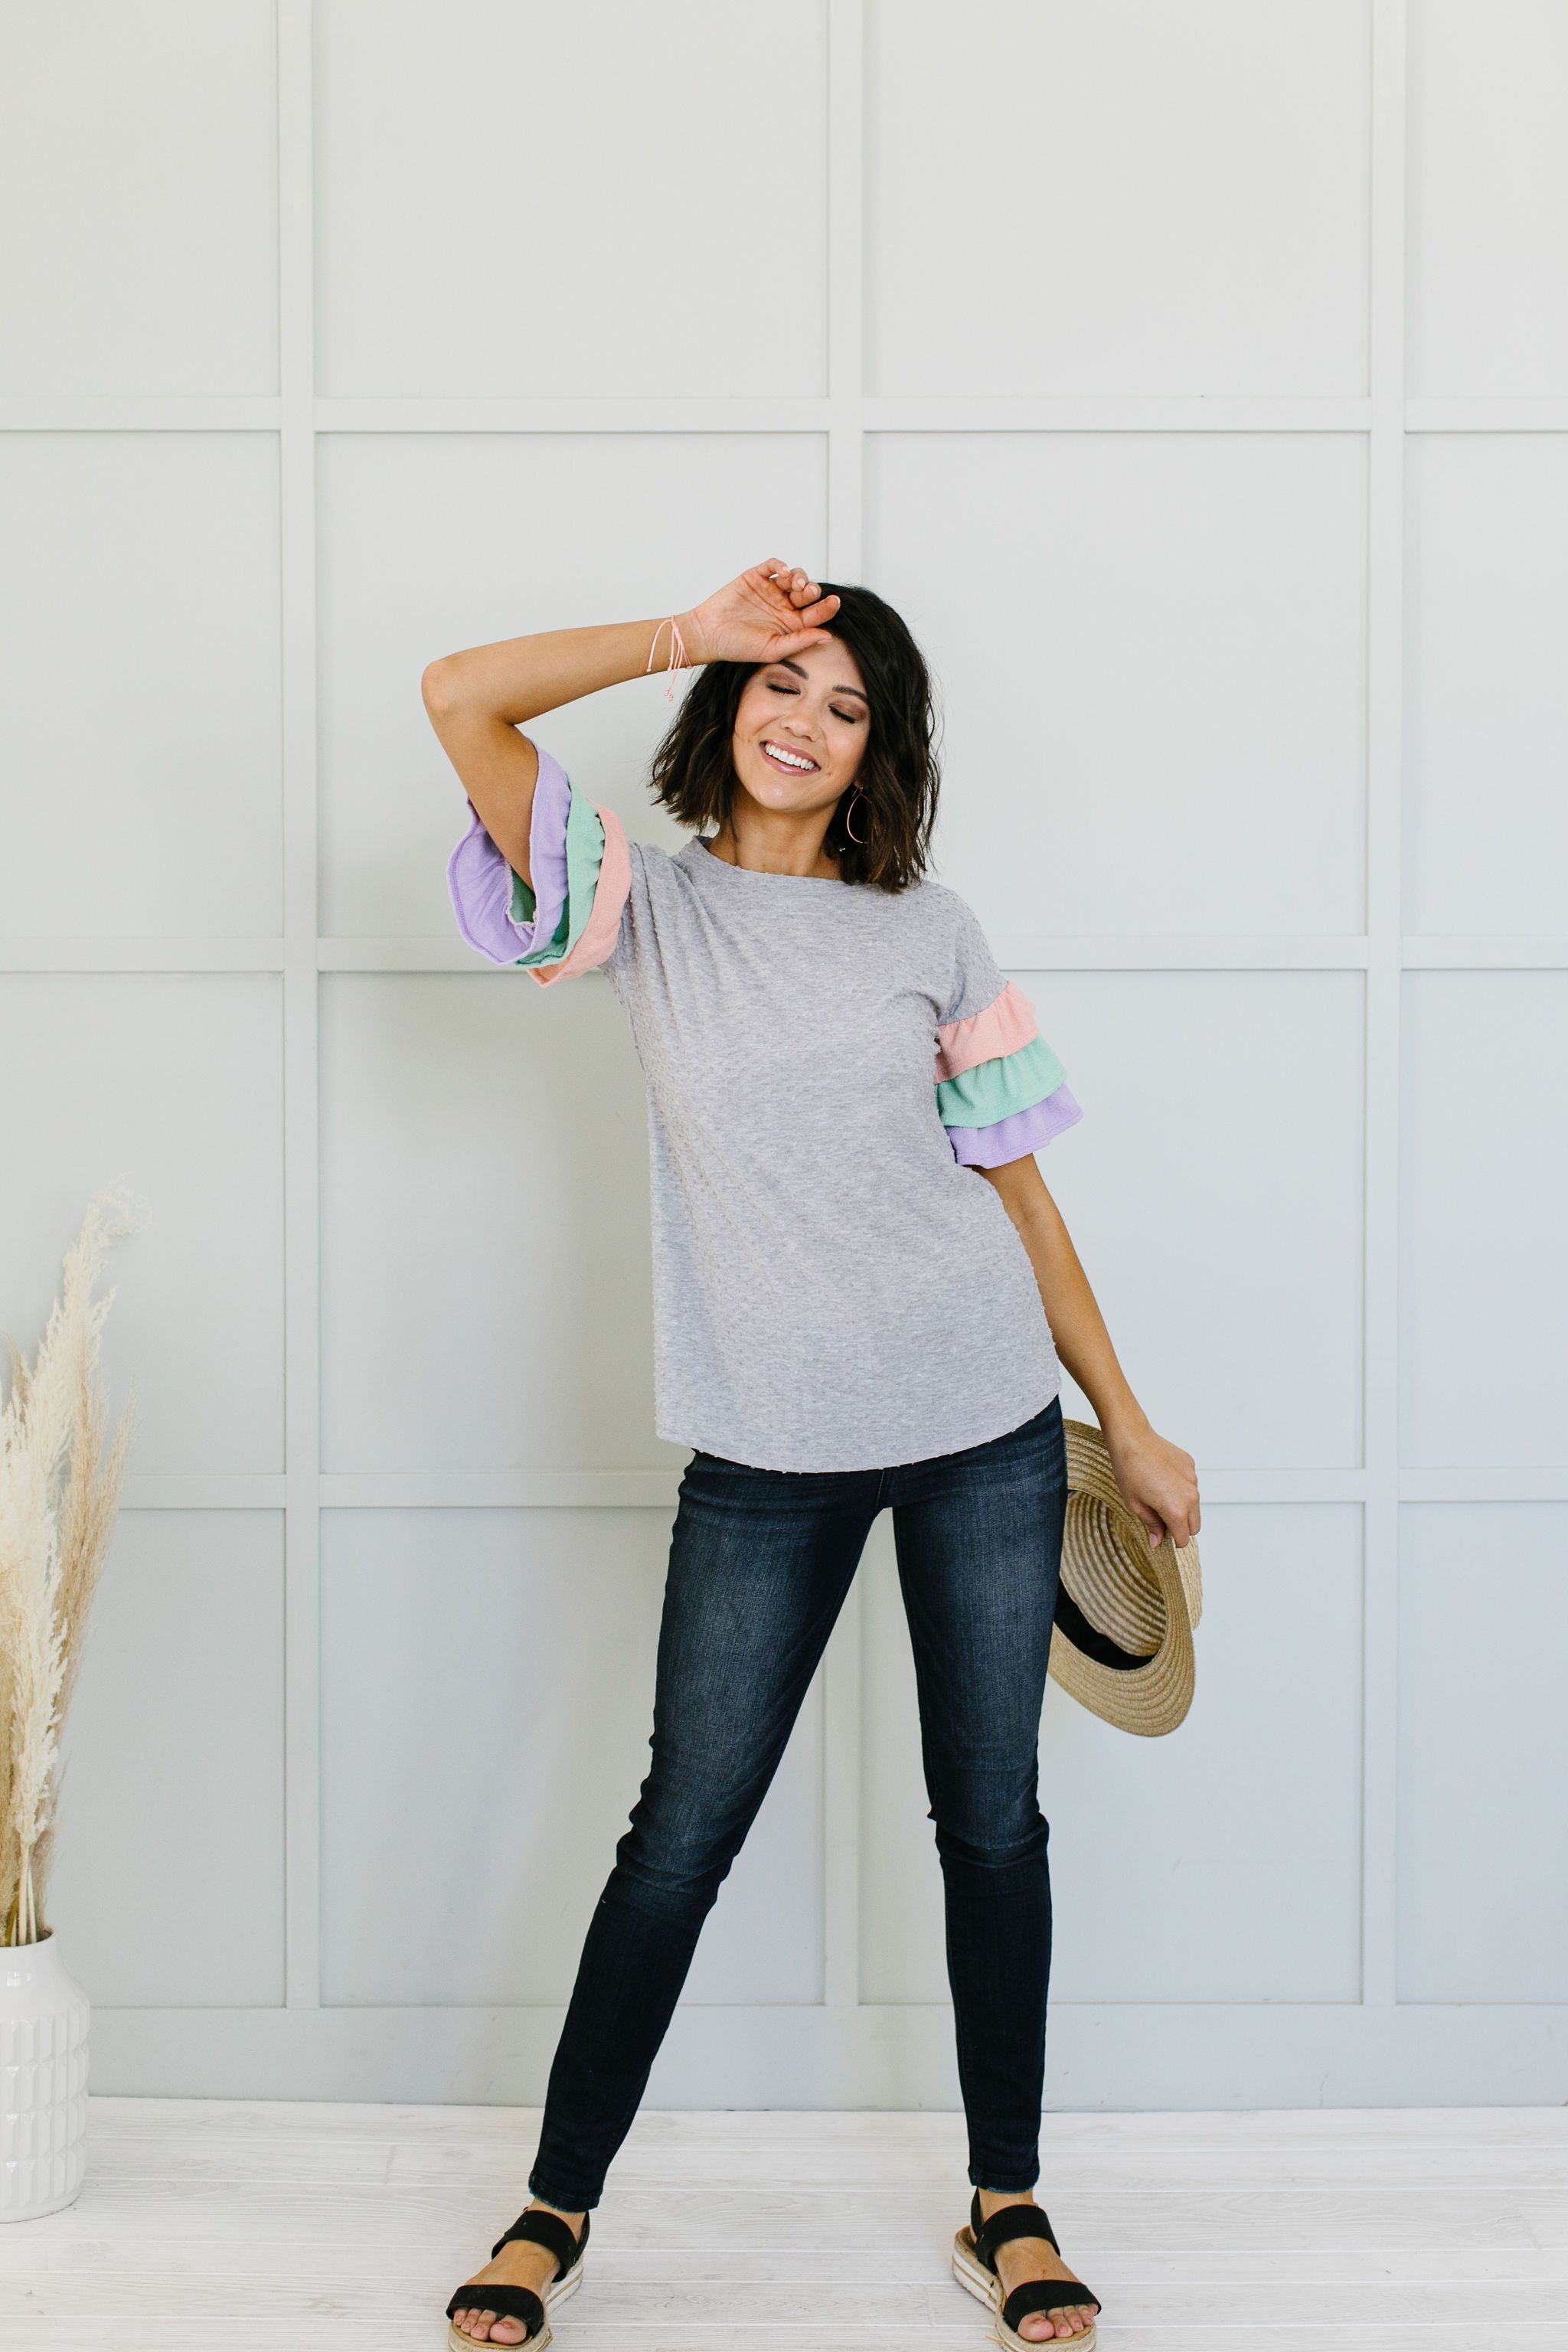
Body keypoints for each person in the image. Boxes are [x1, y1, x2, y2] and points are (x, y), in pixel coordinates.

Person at [423, 560, 1200, 2350]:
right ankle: (555, 2207)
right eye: (787, 686)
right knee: (678, 1836)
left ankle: (1006, 2206)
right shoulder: (644, 906)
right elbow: (461, 689)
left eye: (849, 706)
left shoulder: (929, 931)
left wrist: (1130, 1420)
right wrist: (692, 627)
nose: (807, 723)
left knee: (992, 1826)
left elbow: (1020, 1194)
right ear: (731, 706)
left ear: (880, 753)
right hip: (766, 1455)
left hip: (985, 1431)